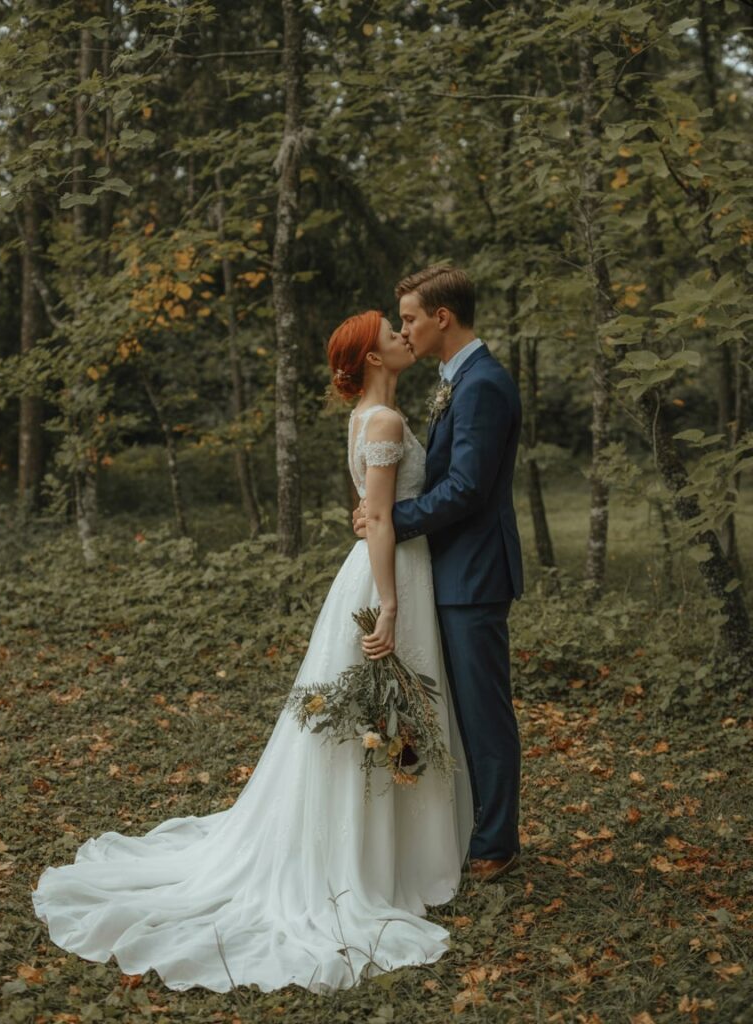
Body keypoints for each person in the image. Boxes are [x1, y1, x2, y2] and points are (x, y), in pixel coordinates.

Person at [31, 310, 474, 995]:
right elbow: (380, 516)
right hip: (388, 576)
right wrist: (388, 604)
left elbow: (378, 510)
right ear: (373, 357)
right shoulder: (380, 422)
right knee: (373, 721)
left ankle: (393, 855)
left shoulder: (369, 416)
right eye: (391, 333)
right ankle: (378, 864)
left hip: (386, 566)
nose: (401, 336)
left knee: (377, 724)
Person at [353, 266, 524, 883]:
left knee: (483, 710)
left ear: (441, 318)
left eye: (410, 319)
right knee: (454, 708)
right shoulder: (459, 380)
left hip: (473, 574)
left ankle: (496, 842)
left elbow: (468, 490)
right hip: (445, 570)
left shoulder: (481, 385)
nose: (405, 329)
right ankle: (464, 829)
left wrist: (391, 517)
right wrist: (382, 515)